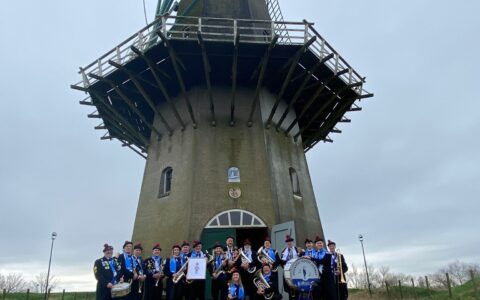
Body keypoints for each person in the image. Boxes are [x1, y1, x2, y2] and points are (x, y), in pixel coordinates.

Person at [280, 235, 302, 300]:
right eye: (288, 242)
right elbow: (282, 261)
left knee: (297, 287)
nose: (289, 243)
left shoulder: (298, 249)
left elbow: (302, 258)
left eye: (290, 241)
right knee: (289, 287)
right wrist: (284, 266)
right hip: (287, 271)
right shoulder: (284, 251)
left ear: (293, 242)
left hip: (296, 271)